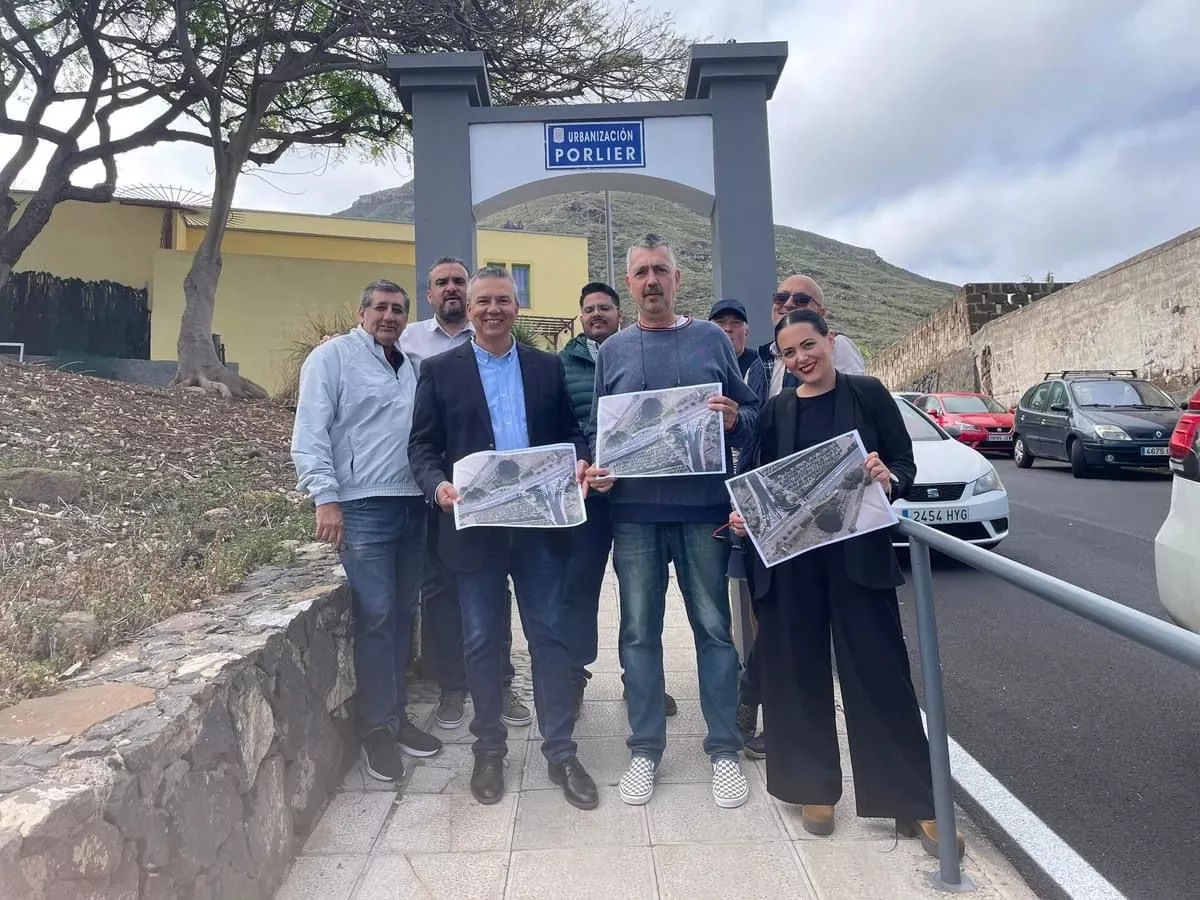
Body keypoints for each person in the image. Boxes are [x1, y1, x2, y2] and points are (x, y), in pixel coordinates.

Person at [729, 307, 964, 859]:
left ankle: (912, 797)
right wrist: (744, 515)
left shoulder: (869, 393)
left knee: (880, 674)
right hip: (793, 569)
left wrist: (891, 477)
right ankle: (812, 788)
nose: (801, 359)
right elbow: (756, 481)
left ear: (830, 341)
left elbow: (904, 464)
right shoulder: (775, 411)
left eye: (808, 346)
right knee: (796, 674)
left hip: (859, 560)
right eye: (789, 354)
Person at [409, 265, 598, 810]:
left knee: (549, 638)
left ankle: (561, 752)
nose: (493, 309)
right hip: (475, 532)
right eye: (483, 301)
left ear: (518, 307)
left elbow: (568, 432)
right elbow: (422, 448)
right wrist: (438, 486)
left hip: (538, 530)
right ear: (468, 309)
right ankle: (488, 749)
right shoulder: (441, 371)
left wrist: (578, 460)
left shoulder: (545, 366)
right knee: (481, 642)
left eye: (504, 301)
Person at [586, 234, 761, 811]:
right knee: (638, 631)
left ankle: (724, 750)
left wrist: (735, 419)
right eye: (641, 273)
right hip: (633, 517)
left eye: (661, 270)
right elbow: (600, 433)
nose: (652, 281)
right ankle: (644, 748)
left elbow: (752, 414)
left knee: (713, 629)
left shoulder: (711, 338)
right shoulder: (612, 351)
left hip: (701, 512)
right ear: (629, 282)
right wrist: (600, 471)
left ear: (677, 280)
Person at [291, 279, 443, 781]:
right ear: (361, 312)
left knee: (402, 613)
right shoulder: (331, 360)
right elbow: (310, 431)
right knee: (376, 615)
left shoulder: (413, 367)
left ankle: (395, 717)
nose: (390, 317)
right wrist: (325, 497)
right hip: (361, 507)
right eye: (380, 308)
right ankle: (376, 727)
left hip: (412, 504)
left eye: (399, 310)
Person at [401, 256, 529, 732]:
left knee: (497, 602)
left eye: (460, 281)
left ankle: (500, 683)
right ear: (431, 293)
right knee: (443, 597)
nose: (452, 290)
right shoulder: (415, 347)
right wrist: (436, 485)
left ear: (514, 305)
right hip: (448, 502)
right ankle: (454, 687)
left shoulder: (524, 358)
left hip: (518, 510)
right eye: (444, 284)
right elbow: (423, 436)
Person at [560, 282, 678, 719]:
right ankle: (574, 676)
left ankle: (640, 678)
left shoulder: (641, 352)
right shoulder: (562, 364)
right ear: (581, 316)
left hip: (635, 494)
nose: (596, 315)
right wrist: (583, 461)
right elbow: (559, 424)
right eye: (589, 309)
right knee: (579, 587)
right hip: (587, 496)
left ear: (619, 313)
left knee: (641, 592)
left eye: (604, 308)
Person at [756, 275, 866, 400]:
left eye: (801, 300)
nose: (788, 304)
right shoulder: (759, 361)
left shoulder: (836, 345)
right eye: (781, 298)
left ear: (820, 313)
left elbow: (855, 401)